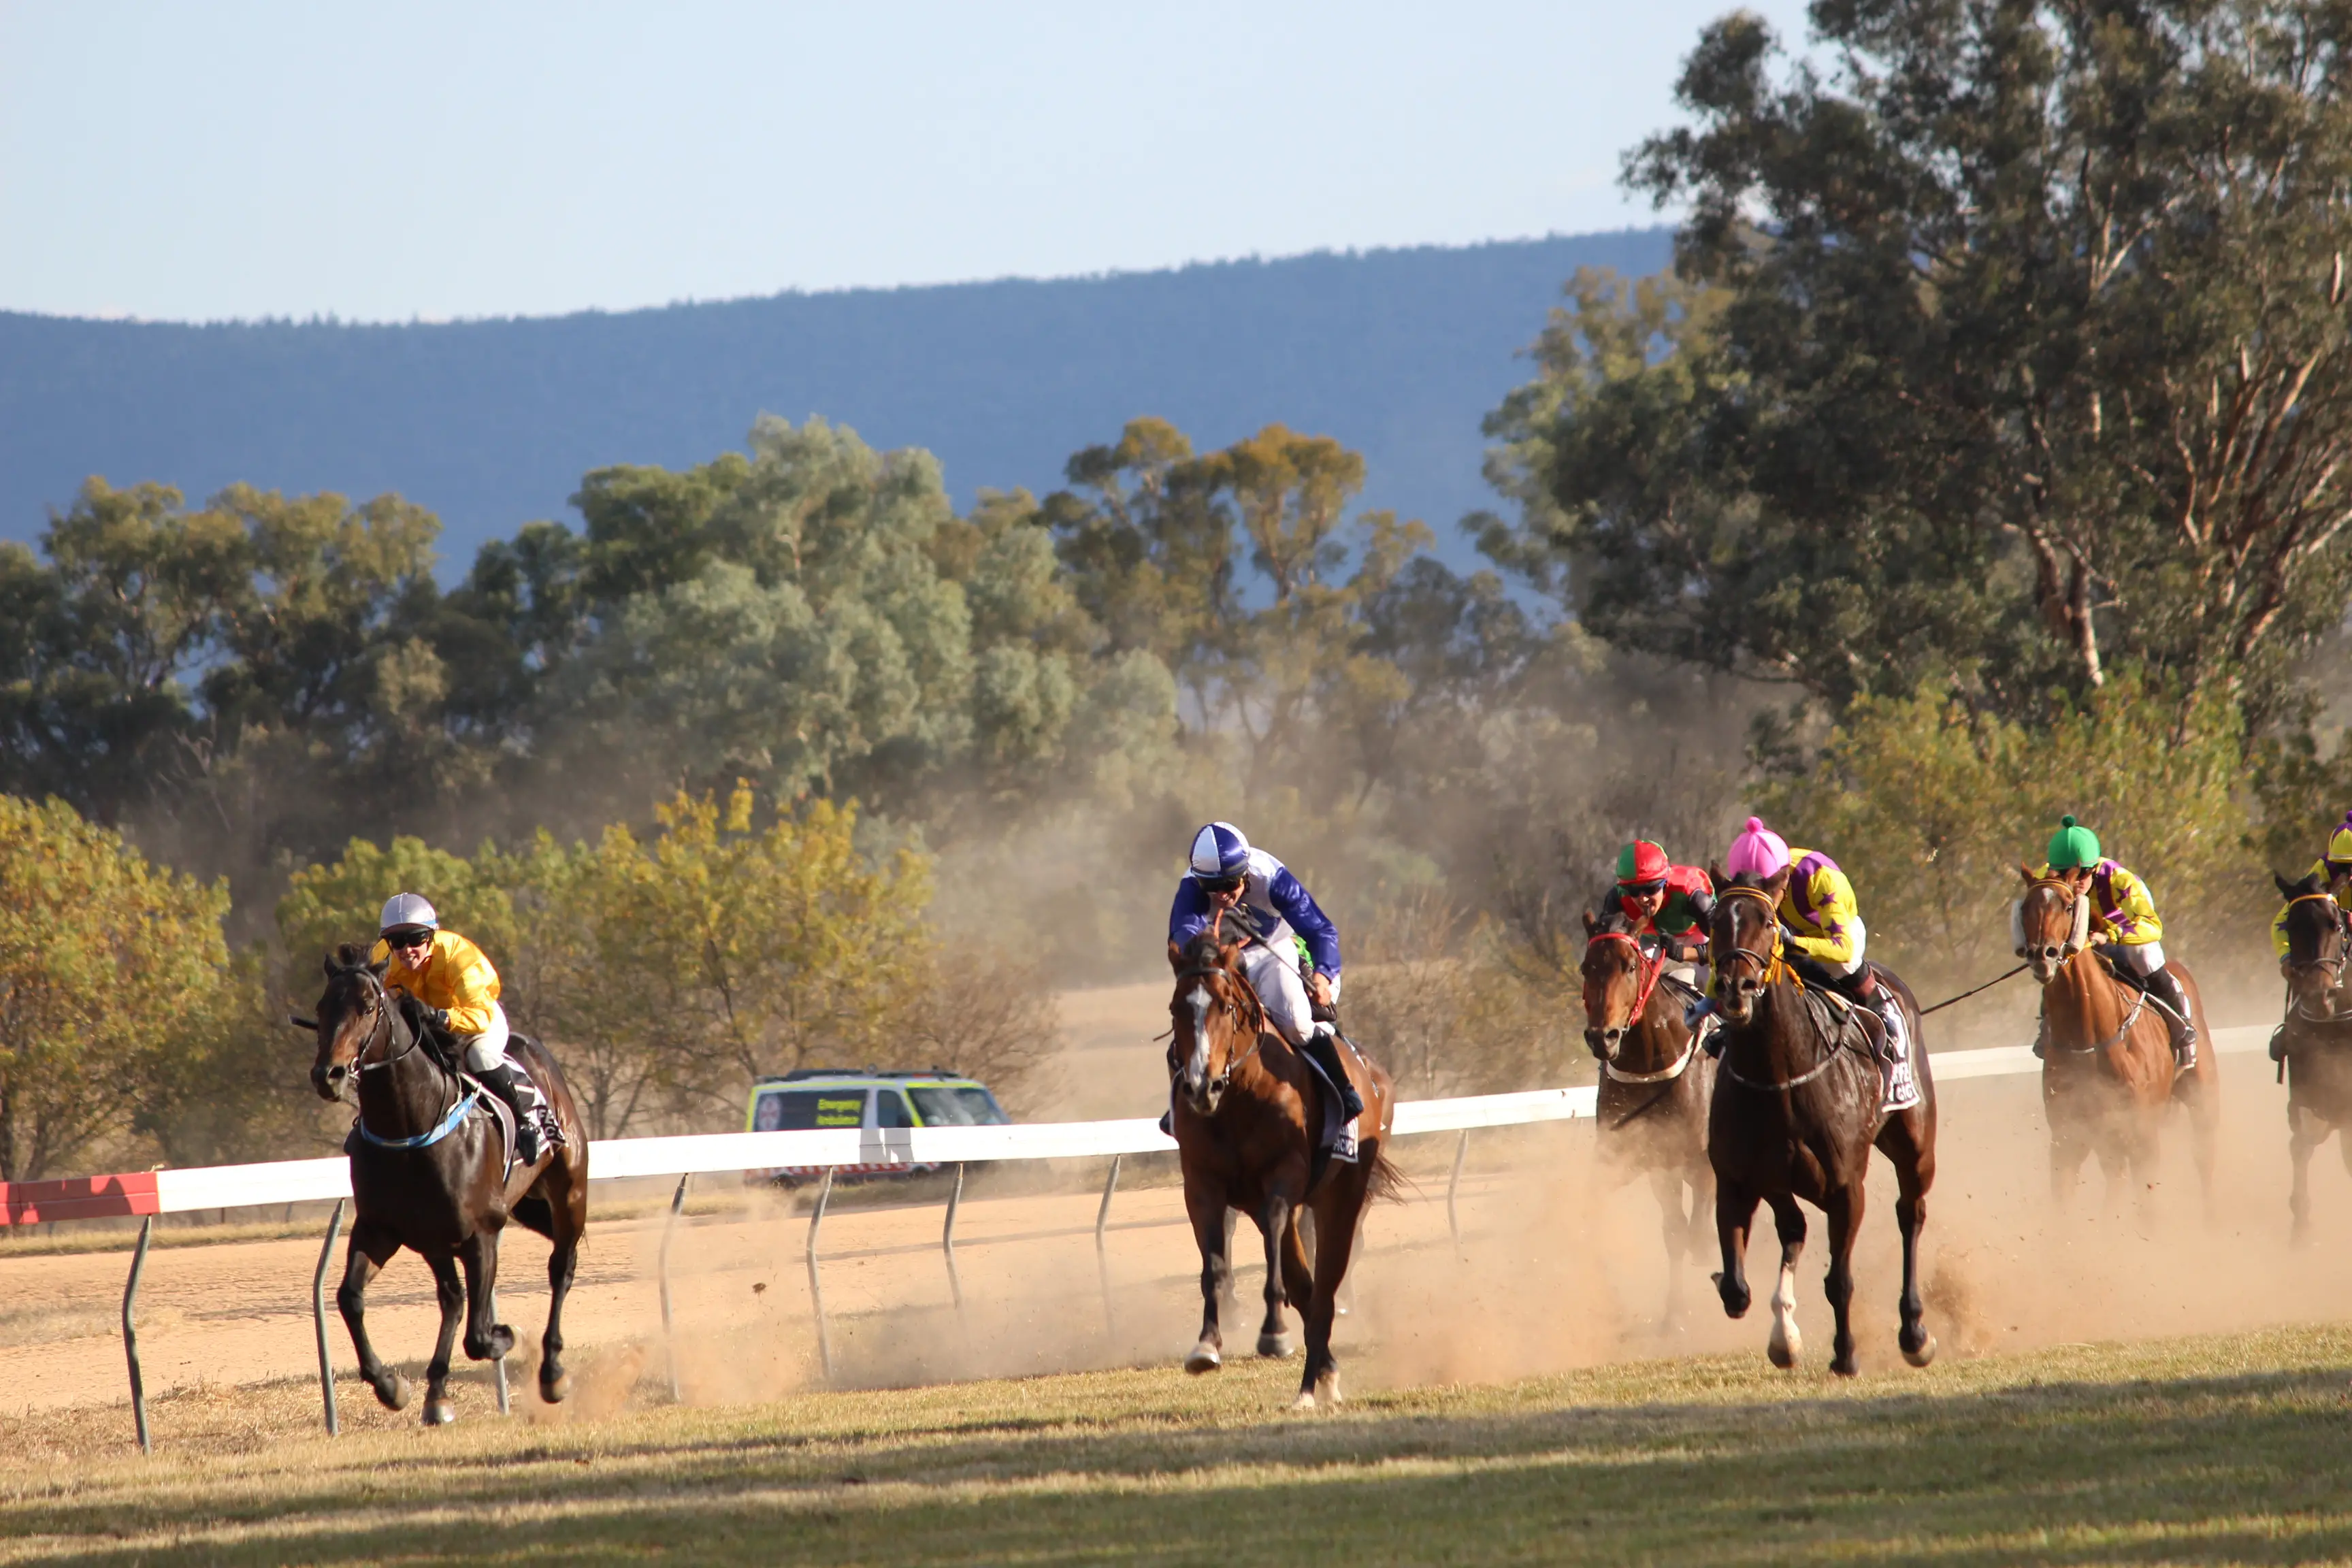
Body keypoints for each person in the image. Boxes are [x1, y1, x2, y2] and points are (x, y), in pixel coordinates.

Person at [1716, 816, 1921, 1113]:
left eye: (1771, 889)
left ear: (1784, 878)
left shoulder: (1820, 877)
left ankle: (1889, 1024)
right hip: (1781, 937)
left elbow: (1843, 947)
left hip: (1835, 938)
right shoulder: (1747, 890)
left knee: (1844, 966)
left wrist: (1794, 944)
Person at [1165, 821, 1361, 1130]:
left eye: (1230, 884)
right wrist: (1199, 953)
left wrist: (1323, 975)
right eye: (1212, 888)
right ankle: (1179, 1109)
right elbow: (1184, 930)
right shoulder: (1191, 886)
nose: (1222, 894)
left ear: (1245, 872)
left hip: (1272, 950)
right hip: (1220, 960)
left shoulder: (1272, 877)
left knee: (1296, 1023)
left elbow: (1320, 929)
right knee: (1191, 1024)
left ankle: (1342, 1093)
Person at [371, 893, 561, 1163]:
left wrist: (439, 1017)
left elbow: (480, 1017)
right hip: (426, 1027)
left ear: (432, 935)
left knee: (480, 1056)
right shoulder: (381, 960)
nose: (406, 950)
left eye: (415, 938)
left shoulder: (460, 958)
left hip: (475, 1022)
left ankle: (523, 1123)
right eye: (397, 942)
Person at [2038, 815, 2197, 1071]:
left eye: (2081, 875)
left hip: (2124, 938)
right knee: (2057, 966)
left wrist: (2109, 936)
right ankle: (2047, 1024)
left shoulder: (2120, 881)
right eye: (2063, 874)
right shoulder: (2046, 877)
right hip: (2081, 946)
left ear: (2093, 869)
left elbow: (2152, 926)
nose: (2073, 882)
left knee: (2144, 955)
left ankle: (2182, 1024)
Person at [1594, 839, 1714, 985]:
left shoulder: (1692, 894)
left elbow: (1726, 946)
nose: (1643, 899)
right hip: (1649, 937)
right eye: (1634, 891)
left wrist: (1683, 953)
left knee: (1712, 983)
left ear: (1665, 883)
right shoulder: (1617, 898)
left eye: (1650, 889)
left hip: (1696, 935)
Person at [2270, 808, 2352, 960]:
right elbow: (2280, 923)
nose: (2350, 876)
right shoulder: (2325, 870)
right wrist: (2286, 958)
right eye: (2343, 868)